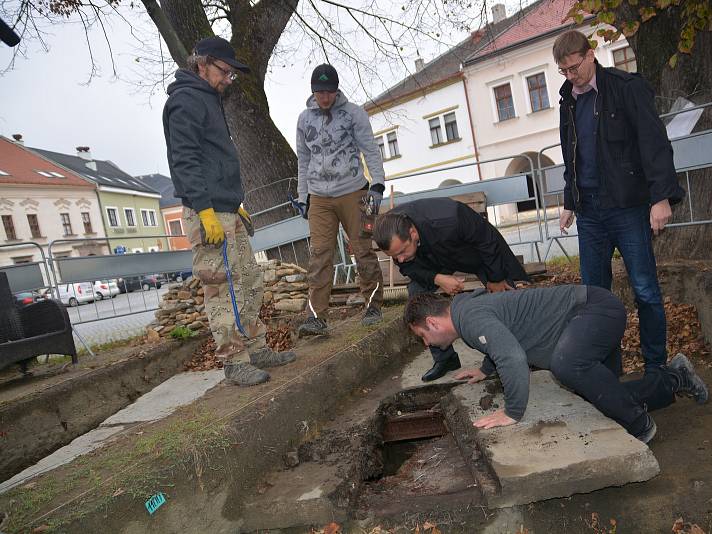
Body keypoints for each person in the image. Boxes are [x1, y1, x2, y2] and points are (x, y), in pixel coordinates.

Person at [553, 30, 686, 412]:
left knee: (645, 290)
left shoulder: (625, 88)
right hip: (590, 213)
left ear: (590, 55)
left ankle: (656, 371)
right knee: (595, 297)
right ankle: (607, 374)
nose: (570, 75)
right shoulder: (567, 102)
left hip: (628, 208)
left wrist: (660, 197)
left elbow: (654, 142)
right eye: (563, 70)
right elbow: (571, 157)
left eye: (574, 66)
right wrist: (569, 201)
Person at [403, 288, 708, 441]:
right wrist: (485, 369)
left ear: (431, 322)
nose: (427, 344)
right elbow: (499, 340)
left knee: (566, 365)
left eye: (423, 337)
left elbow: (512, 357)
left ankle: (639, 424)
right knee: (596, 393)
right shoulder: (464, 314)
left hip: (594, 310)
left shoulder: (468, 319)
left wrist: (512, 411)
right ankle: (674, 378)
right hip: (586, 315)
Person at [163, 35, 295, 386]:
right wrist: (205, 211)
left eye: (232, 75)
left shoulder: (208, 98)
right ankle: (235, 361)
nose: (228, 79)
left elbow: (213, 161)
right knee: (221, 288)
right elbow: (186, 159)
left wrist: (234, 205)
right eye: (225, 71)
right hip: (206, 213)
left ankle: (256, 347)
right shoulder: (185, 101)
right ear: (202, 63)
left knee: (249, 280)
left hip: (225, 210)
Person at [373, 197, 529, 382]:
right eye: (394, 256)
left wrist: (495, 278)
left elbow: (487, 241)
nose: (399, 259)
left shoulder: (450, 217)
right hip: (433, 258)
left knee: (508, 293)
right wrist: (437, 278)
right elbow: (408, 267)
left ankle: (522, 351)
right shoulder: (392, 231)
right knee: (417, 295)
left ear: (413, 232)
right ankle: (445, 359)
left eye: (401, 252)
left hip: (477, 250)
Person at [295, 64, 386, 336]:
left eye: (329, 92)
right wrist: (303, 197)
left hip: (355, 190)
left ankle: (373, 304)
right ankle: (317, 317)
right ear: (313, 92)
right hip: (319, 197)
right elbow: (303, 160)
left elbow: (370, 149)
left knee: (362, 247)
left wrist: (378, 184)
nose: (325, 97)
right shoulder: (304, 119)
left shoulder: (354, 114)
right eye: (320, 92)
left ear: (336, 90)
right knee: (320, 254)